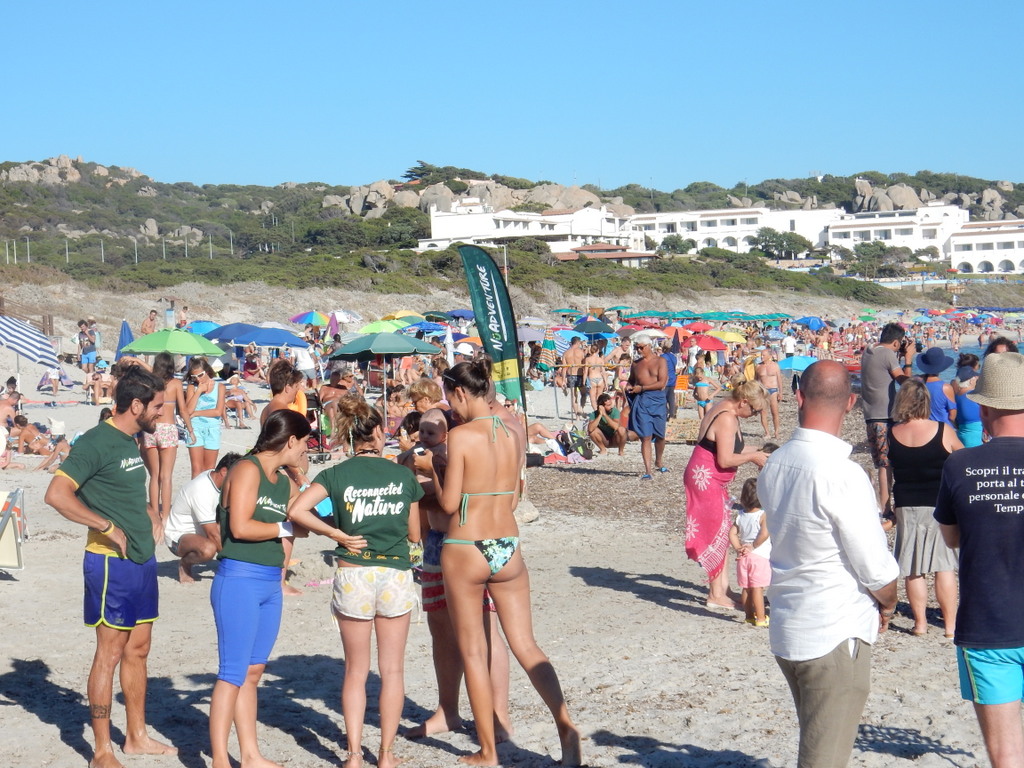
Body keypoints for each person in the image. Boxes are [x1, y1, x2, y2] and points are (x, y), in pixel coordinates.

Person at [418, 358, 581, 767]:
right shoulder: (513, 431)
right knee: (526, 645)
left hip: (467, 545)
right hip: (507, 544)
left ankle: (488, 751)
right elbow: (510, 499)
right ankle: (565, 727)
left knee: (474, 651)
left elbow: (451, 503)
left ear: (458, 393)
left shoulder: (461, 437)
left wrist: (435, 469)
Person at [758, 360, 899, 768]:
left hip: (791, 623)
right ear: (852, 402)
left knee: (817, 740)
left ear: (798, 396)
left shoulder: (777, 463)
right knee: (825, 757)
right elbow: (875, 567)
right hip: (833, 630)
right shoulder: (842, 473)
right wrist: (887, 604)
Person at [43, 366, 177, 768]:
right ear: (135, 405)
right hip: (109, 564)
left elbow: (125, 491)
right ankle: (102, 751)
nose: (161, 413)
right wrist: (104, 525)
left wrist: (151, 512)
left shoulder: (131, 440)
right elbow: (56, 494)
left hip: (141, 559)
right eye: (156, 406)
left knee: (139, 648)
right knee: (109, 653)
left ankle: (135, 736)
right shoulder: (96, 442)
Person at [288, 397, 421, 768]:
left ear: (349, 435)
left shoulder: (336, 474)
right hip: (394, 572)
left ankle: (353, 754)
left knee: (355, 670)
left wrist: (337, 534)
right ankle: (387, 753)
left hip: (354, 571)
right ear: (378, 432)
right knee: (392, 669)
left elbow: (296, 509)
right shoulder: (402, 474)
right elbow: (414, 535)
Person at [934, 352, 1024, 768]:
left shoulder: (960, 464)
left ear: (984, 407)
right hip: (993, 623)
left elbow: (951, 539)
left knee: (1006, 755)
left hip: (989, 621)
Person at [401, 408, 513, 743]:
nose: (423, 438)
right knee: (441, 632)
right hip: (437, 545)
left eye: (431, 432)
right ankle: (448, 710)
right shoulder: (423, 457)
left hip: (467, 545)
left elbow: (453, 500)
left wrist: (427, 481)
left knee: (485, 631)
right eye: (420, 431)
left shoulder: (464, 452)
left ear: (451, 433)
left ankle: (498, 716)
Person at [208, 409, 310, 768]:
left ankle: (250, 755)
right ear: (290, 439)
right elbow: (240, 526)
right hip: (239, 579)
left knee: (253, 672)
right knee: (232, 672)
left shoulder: (282, 480)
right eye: (305, 443)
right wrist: (283, 529)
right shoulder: (247, 468)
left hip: (269, 582)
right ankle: (221, 759)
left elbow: (302, 515)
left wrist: (299, 472)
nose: (306, 450)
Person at [684, 380, 769, 610]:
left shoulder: (727, 408)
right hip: (705, 478)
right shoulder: (727, 418)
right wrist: (754, 458)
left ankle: (723, 588)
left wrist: (763, 452)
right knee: (716, 533)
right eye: (754, 409)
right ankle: (715, 594)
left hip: (708, 477)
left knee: (722, 530)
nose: (754, 414)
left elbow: (735, 449)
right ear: (743, 401)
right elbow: (725, 459)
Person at [888, 379, 961, 637]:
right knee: (944, 566)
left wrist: (886, 504)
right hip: (939, 504)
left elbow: (887, 470)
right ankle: (950, 626)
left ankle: (919, 624)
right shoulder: (942, 430)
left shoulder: (893, 432)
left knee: (912, 567)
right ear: (926, 402)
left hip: (906, 503)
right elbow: (962, 461)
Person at [860, 322, 916, 513]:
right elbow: (905, 383)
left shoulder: (869, 352)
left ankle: (884, 505)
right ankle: (886, 508)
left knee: (882, 464)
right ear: (895, 342)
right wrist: (908, 359)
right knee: (887, 464)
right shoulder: (887, 354)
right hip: (884, 417)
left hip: (870, 415)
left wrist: (898, 355)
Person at [165, 453, 241, 583]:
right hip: (178, 536)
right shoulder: (202, 490)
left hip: (203, 529)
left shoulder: (215, 477)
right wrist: (232, 566)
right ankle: (185, 564)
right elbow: (213, 534)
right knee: (208, 549)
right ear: (224, 471)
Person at [142, 352, 193, 517]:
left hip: (151, 429)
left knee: (154, 475)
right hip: (168, 429)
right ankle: (165, 514)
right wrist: (190, 430)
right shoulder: (175, 384)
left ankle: (155, 512)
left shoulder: (150, 383)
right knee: (167, 476)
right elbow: (183, 409)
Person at [728, 478, 771, 627]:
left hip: (744, 557)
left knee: (746, 587)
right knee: (757, 588)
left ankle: (748, 616)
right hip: (758, 556)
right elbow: (764, 534)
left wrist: (738, 548)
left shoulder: (741, 515)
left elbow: (732, 533)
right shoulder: (763, 515)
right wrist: (752, 546)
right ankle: (760, 618)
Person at [625, 332, 668, 479]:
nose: (639, 350)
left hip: (658, 401)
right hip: (642, 402)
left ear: (649, 346)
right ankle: (648, 470)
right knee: (645, 437)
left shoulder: (660, 361)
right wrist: (629, 386)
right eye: (637, 348)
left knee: (661, 436)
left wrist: (641, 388)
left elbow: (662, 383)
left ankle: (659, 461)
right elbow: (631, 380)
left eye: (641, 347)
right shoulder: (636, 364)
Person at [185, 356, 225, 478]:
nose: (197, 379)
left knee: (209, 470)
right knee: (197, 469)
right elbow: (187, 410)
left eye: (200, 375)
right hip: (195, 428)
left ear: (207, 371)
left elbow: (218, 412)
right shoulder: (192, 387)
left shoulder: (220, 387)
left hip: (212, 429)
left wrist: (197, 413)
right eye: (194, 377)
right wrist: (198, 391)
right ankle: (195, 496)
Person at [917, 346, 957, 427]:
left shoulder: (916, 382)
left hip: (923, 428)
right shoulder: (946, 388)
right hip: (942, 428)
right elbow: (952, 415)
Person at [755, 348, 784, 439]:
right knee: (763, 412)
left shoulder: (775, 366)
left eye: (763, 355)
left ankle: (776, 432)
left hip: (773, 390)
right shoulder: (758, 367)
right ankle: (767, 433)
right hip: (763, 391)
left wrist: (780, 392)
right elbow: (756, 381)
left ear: (769, 356)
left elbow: (779, 379)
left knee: (774, 412)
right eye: (761, 355)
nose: (761, 357)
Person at [954, 365, 983, 447]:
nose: (976, 379)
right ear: (970, 381)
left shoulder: (956, 396)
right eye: (975, 378)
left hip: (961, 438)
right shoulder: (973, 396)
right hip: (975, 441)